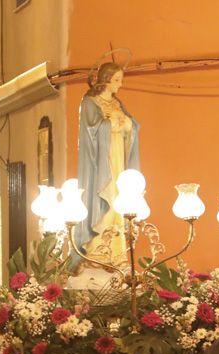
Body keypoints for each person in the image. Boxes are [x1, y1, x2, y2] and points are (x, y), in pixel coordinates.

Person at [76, 61, 140, 268]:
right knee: (107, 199)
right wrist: (111, 123)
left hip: (119, 160)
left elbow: (133, 126)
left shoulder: (117, 104)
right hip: (100, 167)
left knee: (120, 203)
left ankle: (117, 250)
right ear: (105, 80)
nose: (120, 85)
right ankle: (98, 250)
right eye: (116, 80)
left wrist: (124, 123)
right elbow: (91, 132)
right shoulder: (89, 103)